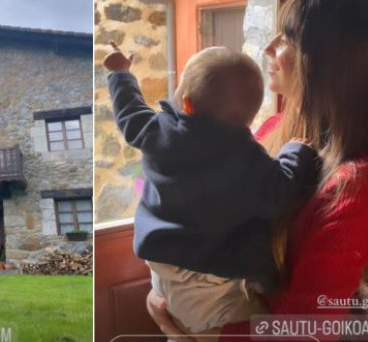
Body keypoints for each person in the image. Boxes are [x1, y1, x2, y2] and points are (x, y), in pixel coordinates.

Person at [145, 0, 368, 341]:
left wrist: (189, 332)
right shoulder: (271, 130)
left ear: (326, 60)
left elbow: (307, 329)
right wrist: (171, 294)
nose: (269, 47)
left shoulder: (358, 187)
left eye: (288, 37)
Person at [103, 42, 321, 335]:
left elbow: (129, 112)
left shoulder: (159, 131)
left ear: (188, 103)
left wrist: (120, 74)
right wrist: (296, 151)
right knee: (229, 323)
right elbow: (281, 190)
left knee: (184, 313)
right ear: (250, 116)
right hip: (207, 274)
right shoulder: (246, 156)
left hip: (161, 260)